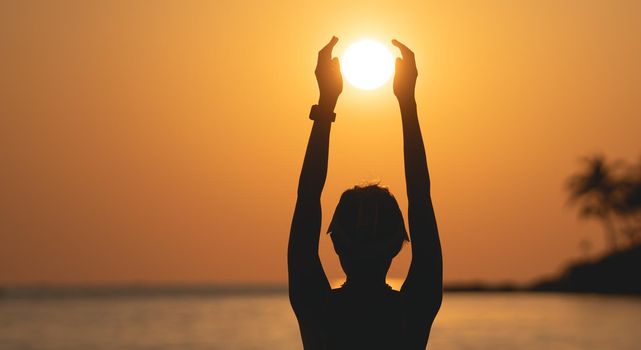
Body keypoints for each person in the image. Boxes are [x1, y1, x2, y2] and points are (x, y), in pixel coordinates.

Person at [288, 36, 442, 350]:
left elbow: (307, 198)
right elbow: (421, 199)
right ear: (399, 243)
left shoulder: (318, 311)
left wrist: (327, 101)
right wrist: (407, 102)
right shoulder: (412, 312)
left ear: (335, 242)